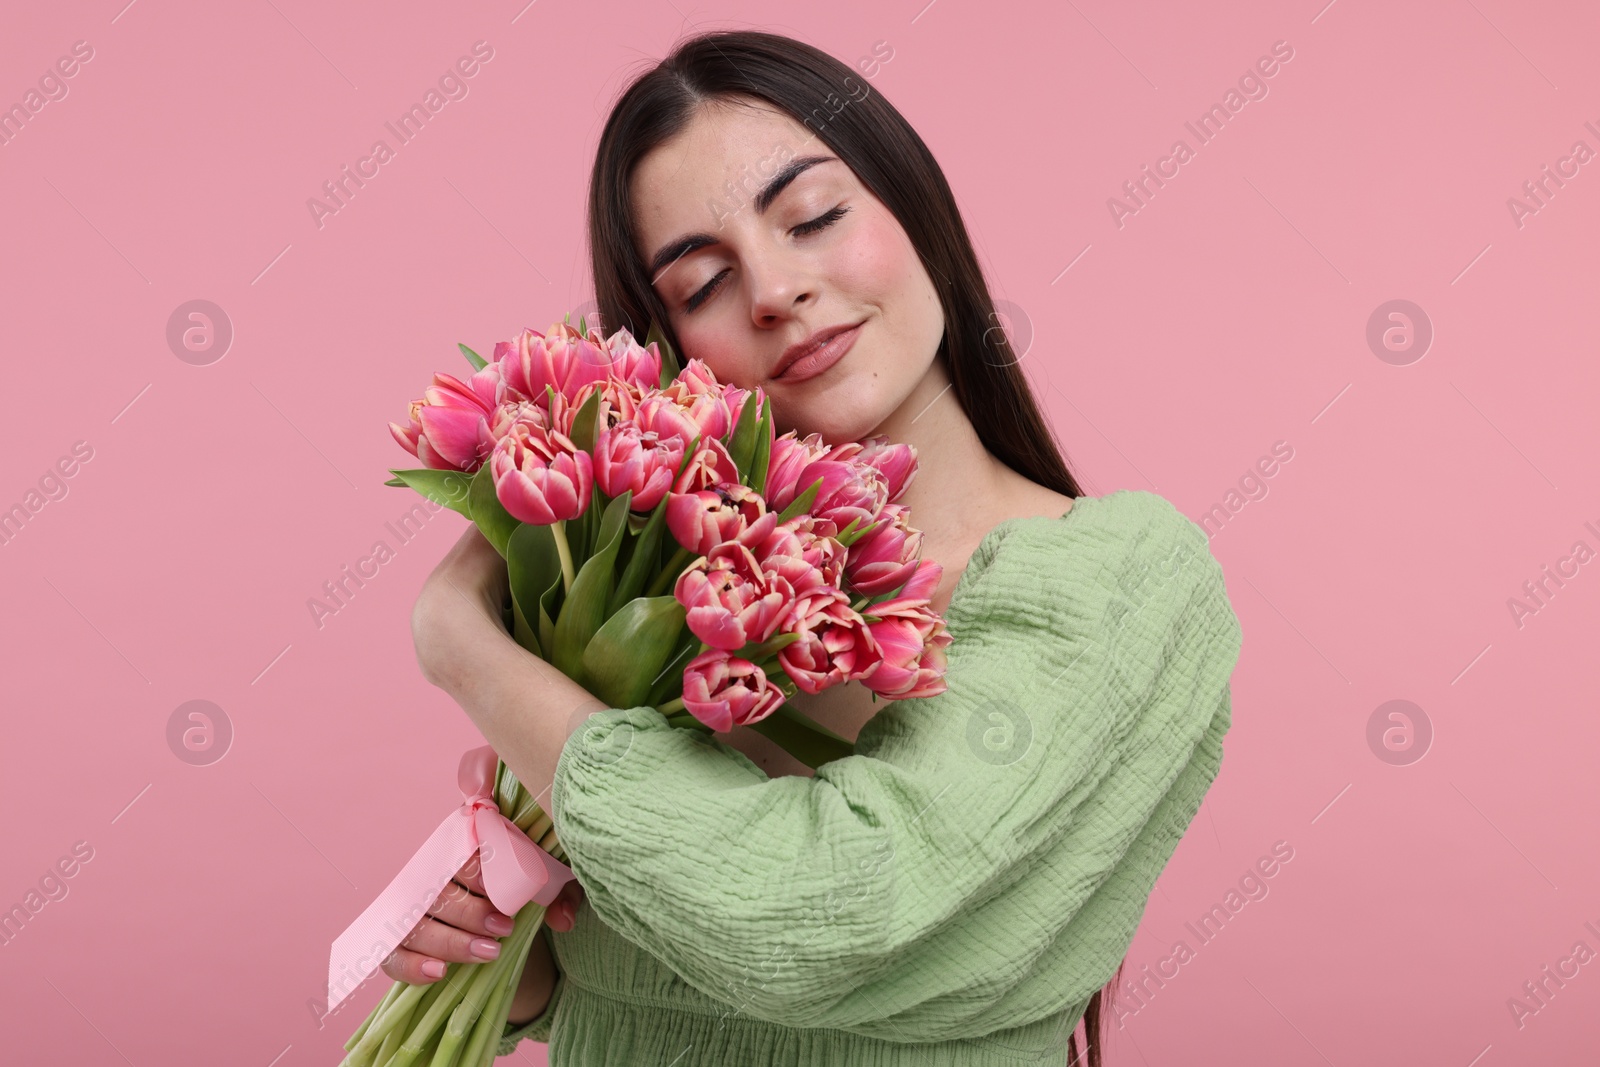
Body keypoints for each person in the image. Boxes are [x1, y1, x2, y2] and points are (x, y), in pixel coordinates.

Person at [383, 29, 1243, 1067]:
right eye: (701, 283)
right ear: (669, 347)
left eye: (813, 216)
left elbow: (826, 920)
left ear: (915, 209)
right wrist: (513, 949)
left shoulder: (1125, 580)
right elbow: (653, 997)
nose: (774, 290)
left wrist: (458, 642)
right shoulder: (656, 605)